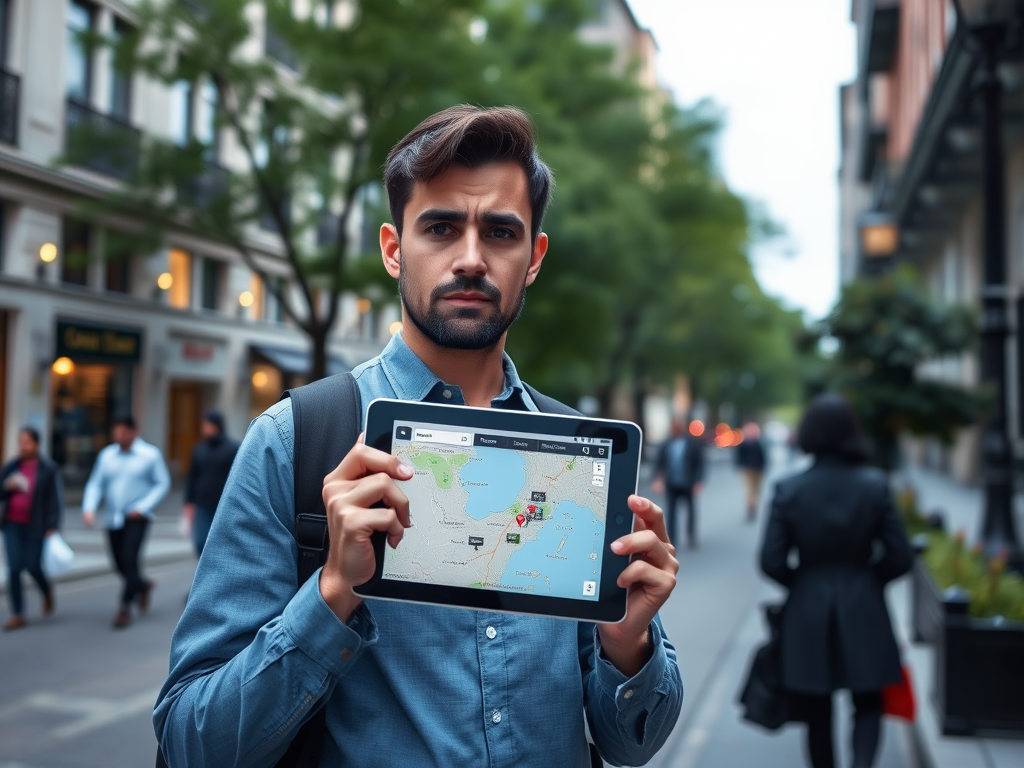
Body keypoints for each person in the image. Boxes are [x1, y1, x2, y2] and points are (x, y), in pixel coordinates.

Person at [154, 105, 683, 768]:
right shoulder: (291, 441)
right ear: (393, 248)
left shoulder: (576, 463)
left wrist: (628, 643)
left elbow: (632, 745)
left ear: (534, 257)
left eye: (499, 232)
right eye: (439, 228)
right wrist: (332, 594)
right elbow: (190, 745)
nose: (470, 258)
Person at [759, 394, 912, 768]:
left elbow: (770, 560)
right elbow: (900, 556)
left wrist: (803, 581)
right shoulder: (874, 484)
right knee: (869, 701)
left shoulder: (789, 489)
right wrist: (869, 578)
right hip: (864, 602)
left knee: (816, 709)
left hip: (807, 606)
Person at [83, 415, 170, 629]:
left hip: (137, 517)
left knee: (130, 559)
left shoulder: (149, 455)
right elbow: (96, 483)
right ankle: (142, 585)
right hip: (112, 517)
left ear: (133, 432)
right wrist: (89, 508)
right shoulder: (107, 456)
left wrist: (143, 507)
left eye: (123, 431)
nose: (118, 435)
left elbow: (162, 483)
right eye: (116, 431)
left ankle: (124, 608)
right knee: (119, 564)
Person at [0, 427, 62, 631]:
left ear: (36, 444)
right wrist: (7, 487)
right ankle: (18, 613)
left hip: (36, 525)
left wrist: (53, 525)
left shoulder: (47, 468)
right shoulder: (12, 466)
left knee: (33, 565)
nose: (23, 446)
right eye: (21, 442)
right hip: (12, 524)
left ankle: (46, 591)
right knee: (15, 567)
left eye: (27, 442)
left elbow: (54, 498)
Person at [182, 410, 239, 558]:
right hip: (202, 503)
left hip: (224, 504)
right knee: (201, 542)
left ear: (218, 426)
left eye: (209, 425)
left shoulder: (232, 448)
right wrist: (188, 502)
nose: (206, 429)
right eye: (204, 425)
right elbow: (192, 477)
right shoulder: (199, 449)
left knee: (220, 543)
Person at [652, 417, 705, 548]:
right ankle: (672, 538)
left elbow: (700, 463)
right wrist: (658, 480)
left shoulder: (692, 443)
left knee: (691, 510)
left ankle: (691, 535)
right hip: (672, 483)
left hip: (688, 482)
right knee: (671, 512)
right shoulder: (666, 444)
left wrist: (698, 481)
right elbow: (660, 463)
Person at [735, 421, 767, 522]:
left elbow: (763, 457)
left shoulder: (756, 442)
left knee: (755, 490)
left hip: (756, 469)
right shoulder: (746, 443)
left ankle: (752, 507)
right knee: (750, 490)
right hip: (748, 469)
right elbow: (739, 457)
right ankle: (751, 508)